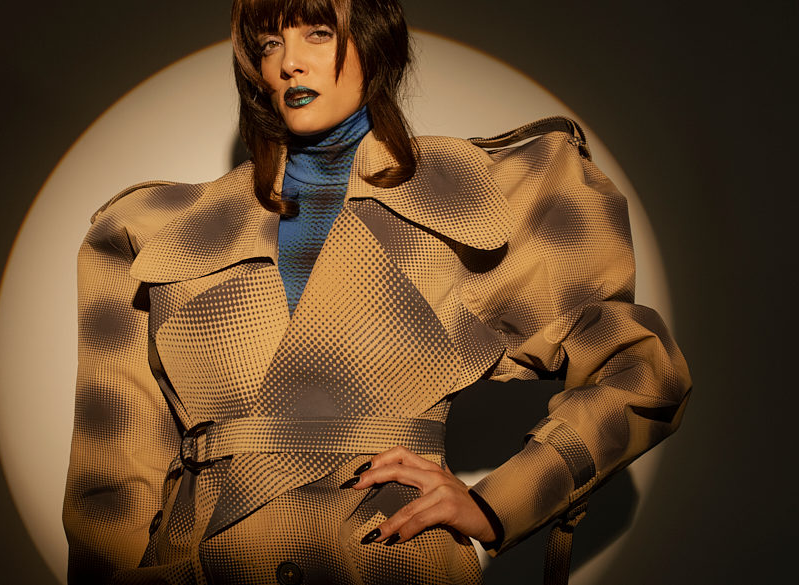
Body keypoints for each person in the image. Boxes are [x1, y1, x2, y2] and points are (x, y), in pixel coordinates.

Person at [62, 0, 692, 583]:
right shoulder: (156, 229)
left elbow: (642, 369)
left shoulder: (479, 195)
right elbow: (112, 476)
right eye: (269, 42)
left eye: (318, 32)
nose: (289, 62)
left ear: (374, 42)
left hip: (387, 560)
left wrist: (496, 507)